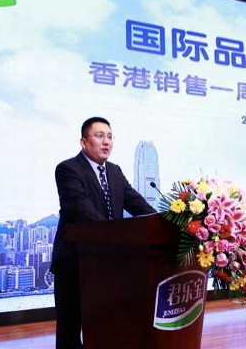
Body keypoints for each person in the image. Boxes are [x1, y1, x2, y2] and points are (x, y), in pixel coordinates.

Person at [51, 116, 156, 349]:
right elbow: (83, 211)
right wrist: (118, 238)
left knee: (108, 325)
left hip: (108, 264)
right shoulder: (68, 169)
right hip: (75, 262)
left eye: (109, 136)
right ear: (84, 142)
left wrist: (163, 221)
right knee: (70, 330)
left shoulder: (115, 172)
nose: (106, 141)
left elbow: (137, 204)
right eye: (99, 136)